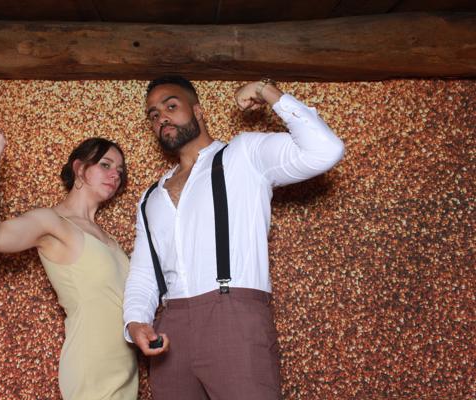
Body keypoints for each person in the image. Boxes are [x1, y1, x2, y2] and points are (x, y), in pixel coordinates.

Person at [123, 76, 345, 399]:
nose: (162, 118)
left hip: (234, 316)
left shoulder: (244, 154)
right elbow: (144, 273)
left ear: (198, 111)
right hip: (170, 331)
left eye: (171, 106)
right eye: (154, 115)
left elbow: (325, 150)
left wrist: (266, 91)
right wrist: (135, 322)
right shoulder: (150, 198)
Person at [0, 129, 138, 400]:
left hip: (125, 370)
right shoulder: (52, 222)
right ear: (80, 169)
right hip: (91, 367)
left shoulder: (111, 240)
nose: (115, 175)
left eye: (120, 171)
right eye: (106, 165)